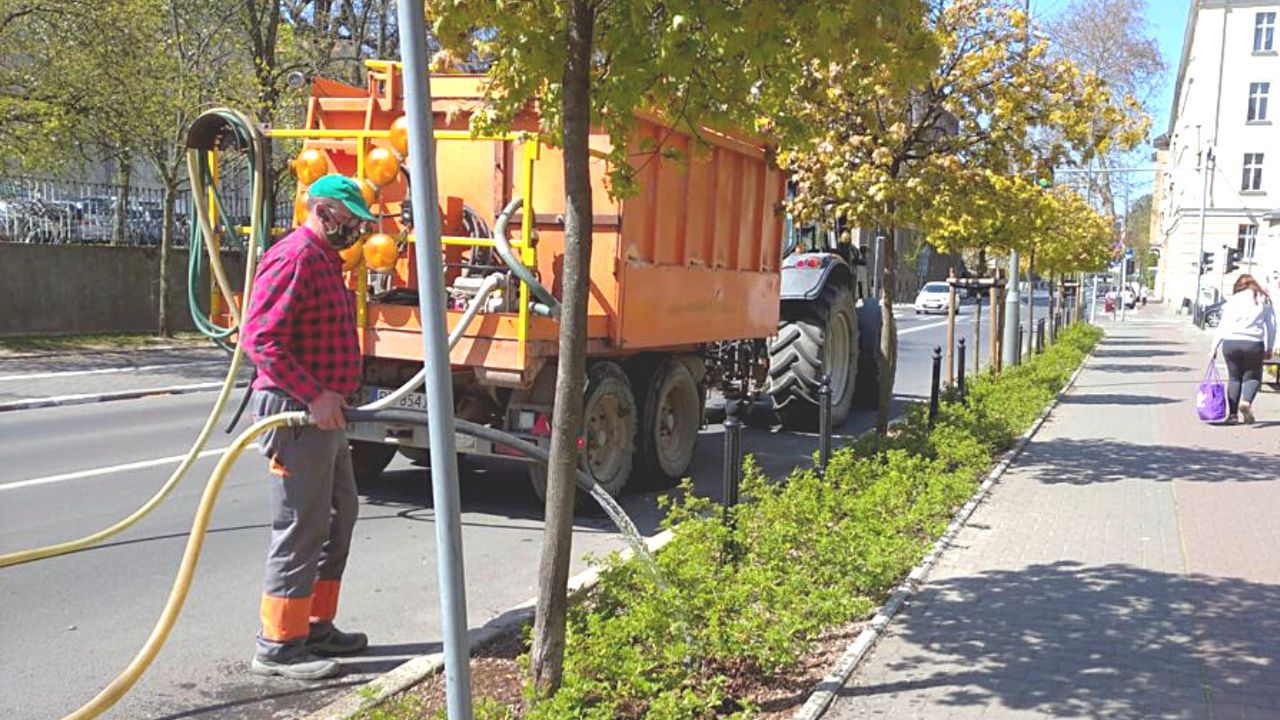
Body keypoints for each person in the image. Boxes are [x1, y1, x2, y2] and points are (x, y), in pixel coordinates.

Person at [240, 174, 375, 679]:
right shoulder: (295, 257)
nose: (355, 232)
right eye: (350, 221)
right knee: (301, 526)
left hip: (322, 414)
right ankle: (277, 644)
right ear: (323, 211)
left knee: (339, 514)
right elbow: (262, 338)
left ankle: (314, 624)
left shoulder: (324, 262)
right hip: (297, 414)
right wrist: (314, 395)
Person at [1213, 273, 1277, 424]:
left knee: (1234, 378)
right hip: (1253, 344)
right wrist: (1269, 347)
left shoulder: (1233, 300)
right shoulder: (1263, 299)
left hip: (1231, 343)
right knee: (1253, 377)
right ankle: (1246, 402)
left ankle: (1233, 416)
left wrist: (1213, 347)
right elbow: (1272, 326)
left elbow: (1223, 325)